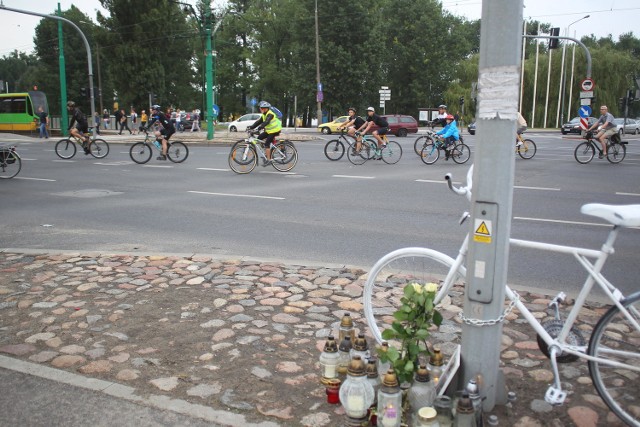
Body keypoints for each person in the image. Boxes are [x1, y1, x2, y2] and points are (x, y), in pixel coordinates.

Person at [247, 101, 282, 165]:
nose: (261, 109)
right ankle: (267, 151)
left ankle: (268, 160)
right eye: (260, 108)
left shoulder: (270, 114)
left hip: (275, 130)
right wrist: (251, 127)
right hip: (269, 131)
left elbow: (266, 122)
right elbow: (258, 122)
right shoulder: (264, 115)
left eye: (262, 108)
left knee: (267, 143)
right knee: (259, 138)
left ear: (266, 108)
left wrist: (258, 129)